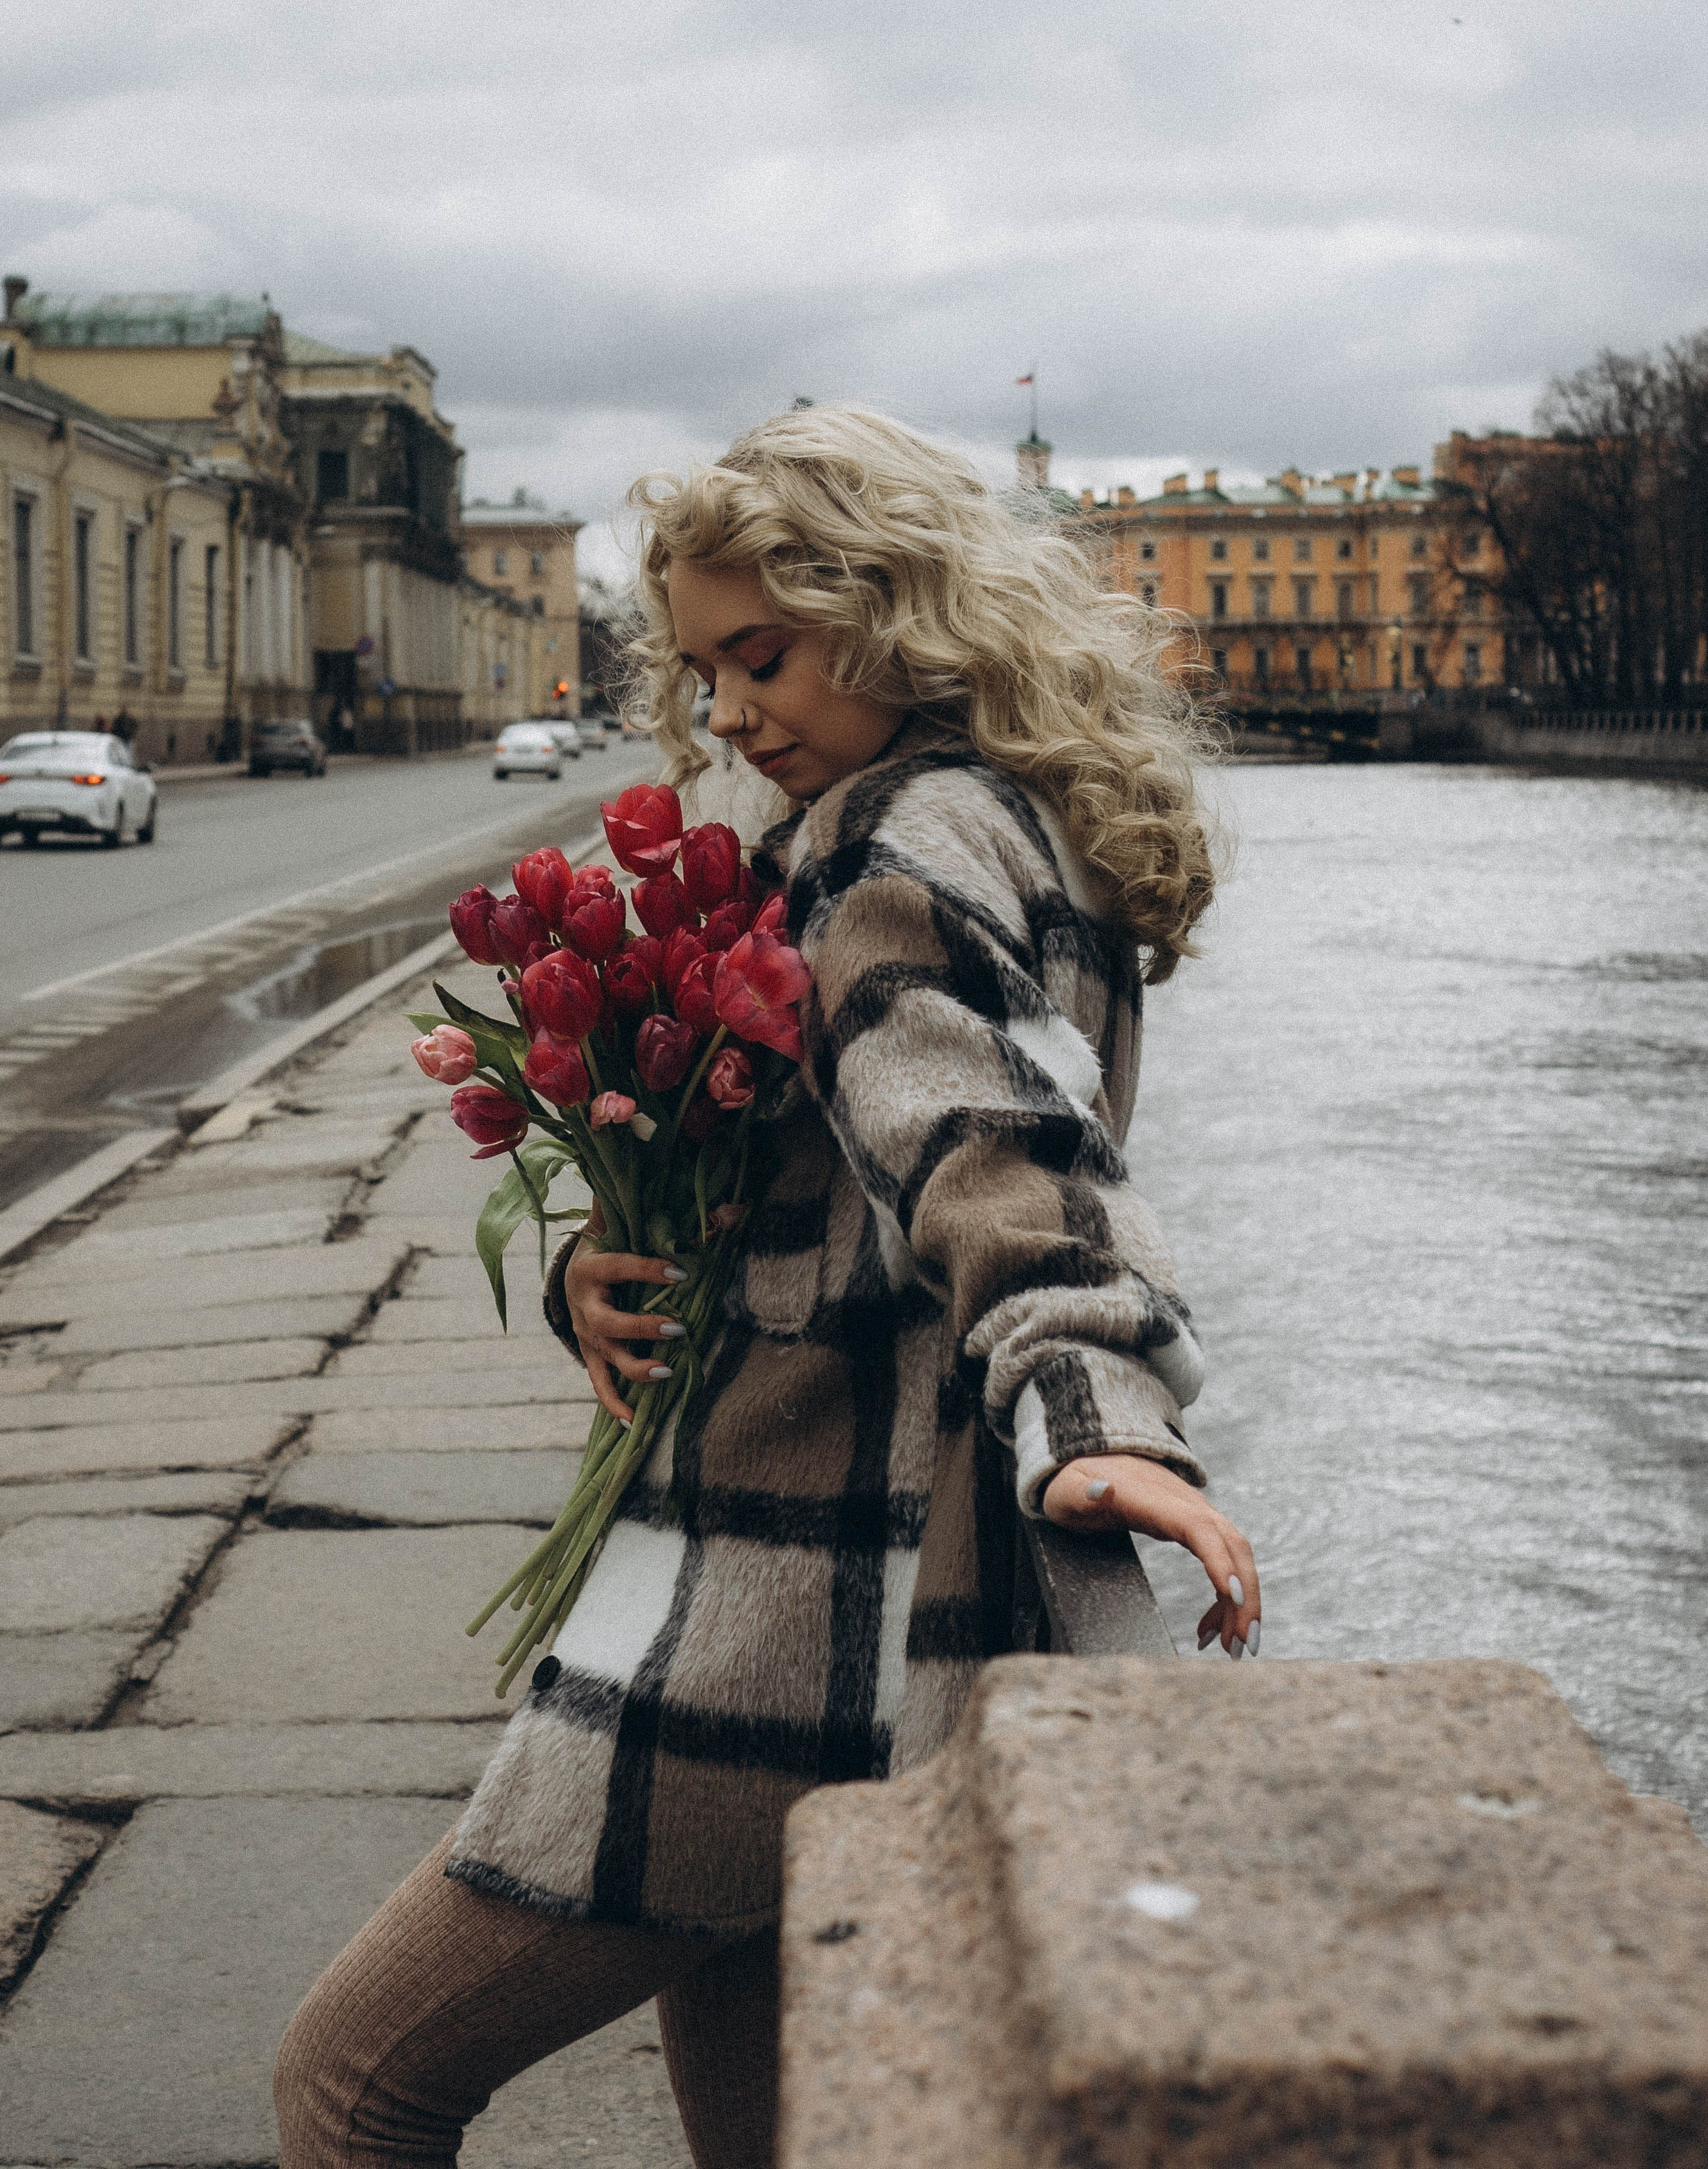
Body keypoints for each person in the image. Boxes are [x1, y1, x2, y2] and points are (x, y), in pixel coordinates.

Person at [276, 409, 1260, 2169]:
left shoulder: (889, 852)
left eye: (765, 654)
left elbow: (1001, 1162)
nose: (729, 710)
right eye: (704, 666)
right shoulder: (1013, 822)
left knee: (355, 2085)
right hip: (886, 1618)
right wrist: (606, 1252)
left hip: (769, 1622)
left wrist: (1102, 1408)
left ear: (900, 610)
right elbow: (874, 1166)